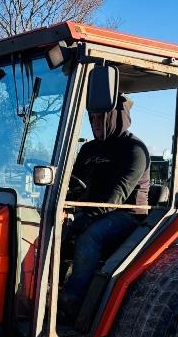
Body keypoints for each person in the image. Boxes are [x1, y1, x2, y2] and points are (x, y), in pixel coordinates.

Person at [59, 95, 150, 318]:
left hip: (127, 216)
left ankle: (72, 302)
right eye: (92, 117)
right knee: (52, 232)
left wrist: (86, 217)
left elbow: (117, 195)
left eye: (101, 117)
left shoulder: (135, 150)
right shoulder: (88, 150)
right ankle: (46, 291)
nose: (95, 122)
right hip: (90, 210)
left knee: (89, 237)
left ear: (116, 117)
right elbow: (72, 183)